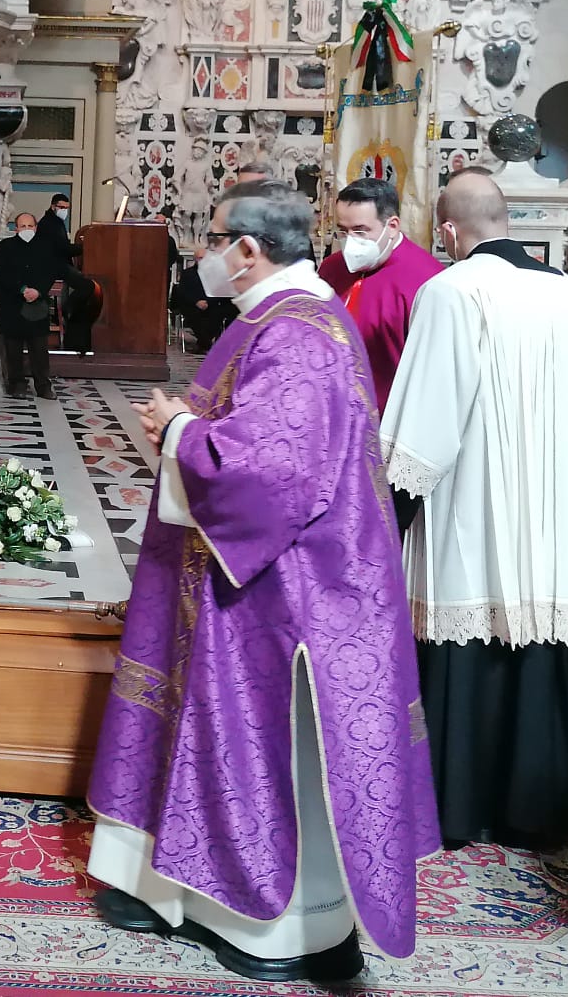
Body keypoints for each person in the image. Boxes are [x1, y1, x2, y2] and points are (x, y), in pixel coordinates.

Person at [90, 183, 437, 983]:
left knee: (268, 747)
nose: (204, 252)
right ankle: (180, 892)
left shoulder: (298, 334)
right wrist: (190, 429)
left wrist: (180, 430)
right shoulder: (282, 317)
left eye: (212, 238)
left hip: (287, 592)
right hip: (264, 573)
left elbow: (272, 472)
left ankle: (272, 926)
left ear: (248, 249)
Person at [378, 169, 568, 850]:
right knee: (547, 640)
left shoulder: (451, 291)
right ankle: (543, 815)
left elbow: (423, 433)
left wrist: (385, 518)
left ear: (447, 231)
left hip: (481, 515)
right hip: (563, 516)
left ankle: (465, 808)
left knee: (475, 630)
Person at [317, 176, 444, 414]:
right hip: (332, 410)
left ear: (392, 226)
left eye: (360, 231)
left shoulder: (427, 280)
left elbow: (435, 368)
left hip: (392, 418)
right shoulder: (331, 269)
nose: (350, 242)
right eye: (343, 232)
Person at [0, 211, 86, 400]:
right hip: (13, 304)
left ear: (36, 227)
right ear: (15, 228)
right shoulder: (5, 247)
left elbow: (50, 272)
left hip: (37, 304)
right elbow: (2, 273)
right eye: (23, 226)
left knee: (39, 349)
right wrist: (22, 289)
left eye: (30, 226)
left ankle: (43, 386)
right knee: (13, 349)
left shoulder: (45, 246)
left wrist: (38, 291)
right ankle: (17, 385)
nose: (26, 229)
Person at [170, 245, 234, 352]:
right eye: (199, 258)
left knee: (217, 315)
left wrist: (208, 302)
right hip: (192, 305)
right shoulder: (187, 274)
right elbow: (183, 292)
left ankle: (204, 343)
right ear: (195, 259)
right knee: (195, 317)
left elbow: (219, 291)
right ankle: (206, 344)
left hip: (211, 304)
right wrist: (196, 302)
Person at [38, 192, 82, 263]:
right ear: (53, 207)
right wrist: (83, 247)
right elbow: (62, 248)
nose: (64, 210)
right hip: (54, 263)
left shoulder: (55, 221)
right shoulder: (50, 223)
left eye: (67, 208)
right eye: (62, 207)